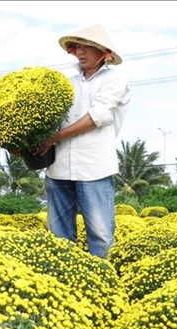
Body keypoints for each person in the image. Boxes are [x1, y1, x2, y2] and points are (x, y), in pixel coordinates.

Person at [35, 24, 131, 258]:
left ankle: (104, 285)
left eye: (87, 47)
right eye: (77, 46)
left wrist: (53, 139)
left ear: (103, 52)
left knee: (100, 235)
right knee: (59, 237)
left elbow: (94, 118)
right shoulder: (64, 80)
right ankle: (65, 285)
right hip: (59, 169)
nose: (80, 51)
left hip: (94, 168)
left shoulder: (115, 79)